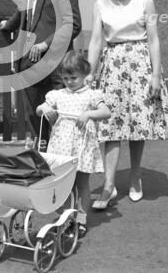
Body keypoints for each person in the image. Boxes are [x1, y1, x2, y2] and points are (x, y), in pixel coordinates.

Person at [86, 0, 168, 209]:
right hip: (112, 64)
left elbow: (154, 39)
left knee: (137, 124)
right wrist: (91, 72)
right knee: (110, 125)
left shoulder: (145, 1)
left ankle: (135, 175)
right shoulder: (100, 4)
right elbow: (95, 41)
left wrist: (156, 75)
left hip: (140, 64)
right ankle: (109, 185)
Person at [0, 0, 82, 145]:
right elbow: (21, 14)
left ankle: (65, 160)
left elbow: (74, 24)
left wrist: (46, 44)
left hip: (55, 65)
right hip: (29, 64)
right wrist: (6, 25)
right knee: (35, 116)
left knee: (59, 115)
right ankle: (43, 158)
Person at [36, 51, 111, 237]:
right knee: (62, 185)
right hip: (60, 148)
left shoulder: (91, 95)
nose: (69, 81)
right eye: (66, 77)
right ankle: (67, 217)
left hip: (82, 147)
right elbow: (39, 110)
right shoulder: (57, 95)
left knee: (82, 184)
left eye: (74, 77)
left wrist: (89, 114)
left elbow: (106, 112)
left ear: (84, 75)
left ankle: (82, 218)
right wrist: (45, 108)